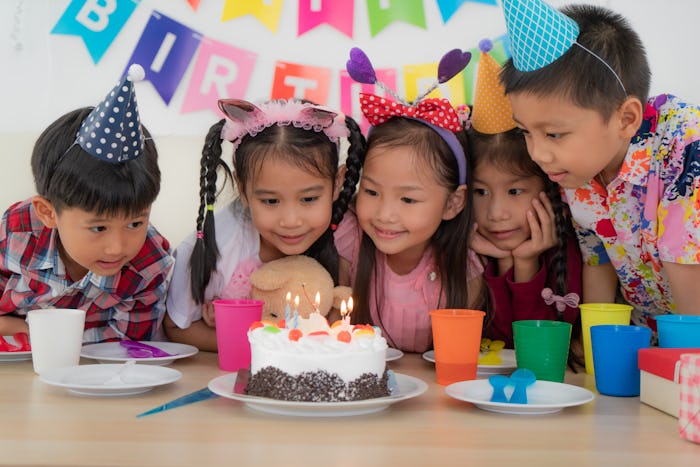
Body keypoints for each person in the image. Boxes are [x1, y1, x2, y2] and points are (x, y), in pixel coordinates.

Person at [499, 0, 700, 328]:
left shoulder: (683, 141)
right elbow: (598, 260)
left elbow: (686, 262)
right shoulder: (578, 169)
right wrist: (596, 359)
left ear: (626, 118)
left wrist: (685, 365)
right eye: (525, 132)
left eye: (554, 134)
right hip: (651, 343)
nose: (537, 153)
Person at [165, 98, 366, 351]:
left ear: (337, 183)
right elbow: (177, 327)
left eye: (309, 199)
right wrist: (267, 346)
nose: (291, 220)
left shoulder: (349, 237)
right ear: (243, 189)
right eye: (271, 200)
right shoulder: (215, 246)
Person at [0, 65, 173, 343]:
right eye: (98, 228)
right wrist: (22, 330)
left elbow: (130, 346)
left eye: (135, 223)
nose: (118, 247)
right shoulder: (15, 232)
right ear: (48, 212)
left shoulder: (150, 262)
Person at [338, 48, 485, 353]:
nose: (385, 214)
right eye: (372, 192)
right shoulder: (351, 241)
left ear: (452, 204)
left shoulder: (463, 269)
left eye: (407, 199)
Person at [467, 40, 582, 349]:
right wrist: (504, 264)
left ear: (549, 187)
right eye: (480, 191)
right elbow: (496, 341)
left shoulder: (572, 251)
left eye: (515, 190)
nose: (496, 213)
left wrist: (526, 264)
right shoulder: (466, 253)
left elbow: (536, 348)